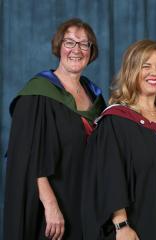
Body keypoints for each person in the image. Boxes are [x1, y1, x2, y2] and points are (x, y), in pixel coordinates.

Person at [3, 18, 106, 240]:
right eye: (69, 42)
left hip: (87, 204)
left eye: (84, 44)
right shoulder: (38, 95)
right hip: (53, 209)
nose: (76, 50)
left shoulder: (94, 95)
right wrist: (50, 206)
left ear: (91, 51)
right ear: (59, 47)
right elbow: (26, 157)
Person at [82, 39, 156, 240]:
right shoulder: (116, 121)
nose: (154, 73)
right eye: (145, 66)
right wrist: (121, 225)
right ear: (132, 72)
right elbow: (109, 176)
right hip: (136, 226)